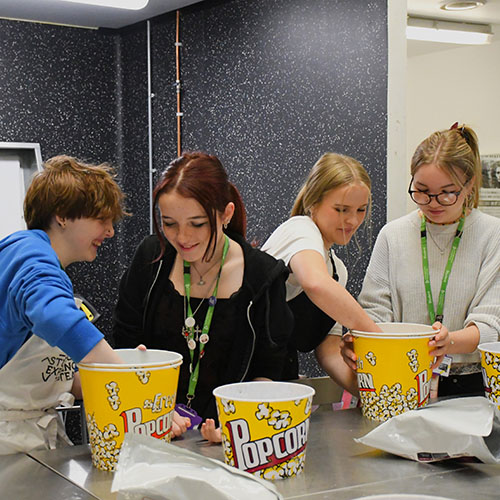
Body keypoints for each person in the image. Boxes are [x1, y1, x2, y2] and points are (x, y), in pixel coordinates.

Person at [113, 152, 293, 442]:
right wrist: (152, 407)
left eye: (197, 224)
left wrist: (238, 423)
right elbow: (123, 345)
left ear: (226, 214)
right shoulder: (151, 260)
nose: (182, 237)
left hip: (233, 438)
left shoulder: (262, 275)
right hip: (152, 431)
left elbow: (270, 369)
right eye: (169, 223)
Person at [345, 124, 500, 397]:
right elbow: (374, 311)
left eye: (448, 192)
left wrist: (449, 341)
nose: (433, 202)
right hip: (400, 376)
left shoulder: (491, 235)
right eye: (422, 190)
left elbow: (490, 326)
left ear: (470, 185)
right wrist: (360, 340)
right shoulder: (393, 235)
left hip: (473, 385)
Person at [0, 155, 132, 455]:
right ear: (62, 215)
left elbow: (49, 377)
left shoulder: (42, 264)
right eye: (101, 219)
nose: (110, 231)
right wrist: (132, 384)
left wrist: (118, 370)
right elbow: (54, 316)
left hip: (30, 441)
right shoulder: (30, 255)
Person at [262, 152, 382, 396]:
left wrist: (373, 394)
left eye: (361, 210)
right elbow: (315, 283)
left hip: (281, 375)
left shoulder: (338, 272)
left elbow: (328, 350)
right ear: (313, 202)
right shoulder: (299, 229)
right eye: (341, 209)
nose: (352, 220)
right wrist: (379, 339)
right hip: (245, 374)